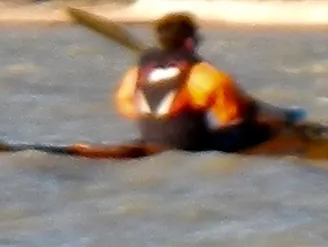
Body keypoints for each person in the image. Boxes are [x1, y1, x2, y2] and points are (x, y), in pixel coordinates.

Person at [116, 12, 285, 154]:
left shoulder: (136, 73)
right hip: (191, 147)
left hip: (150, 140)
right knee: (267, 127)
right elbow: (231, 116)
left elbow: (126, 108)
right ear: (190, 42)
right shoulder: (203, 74)